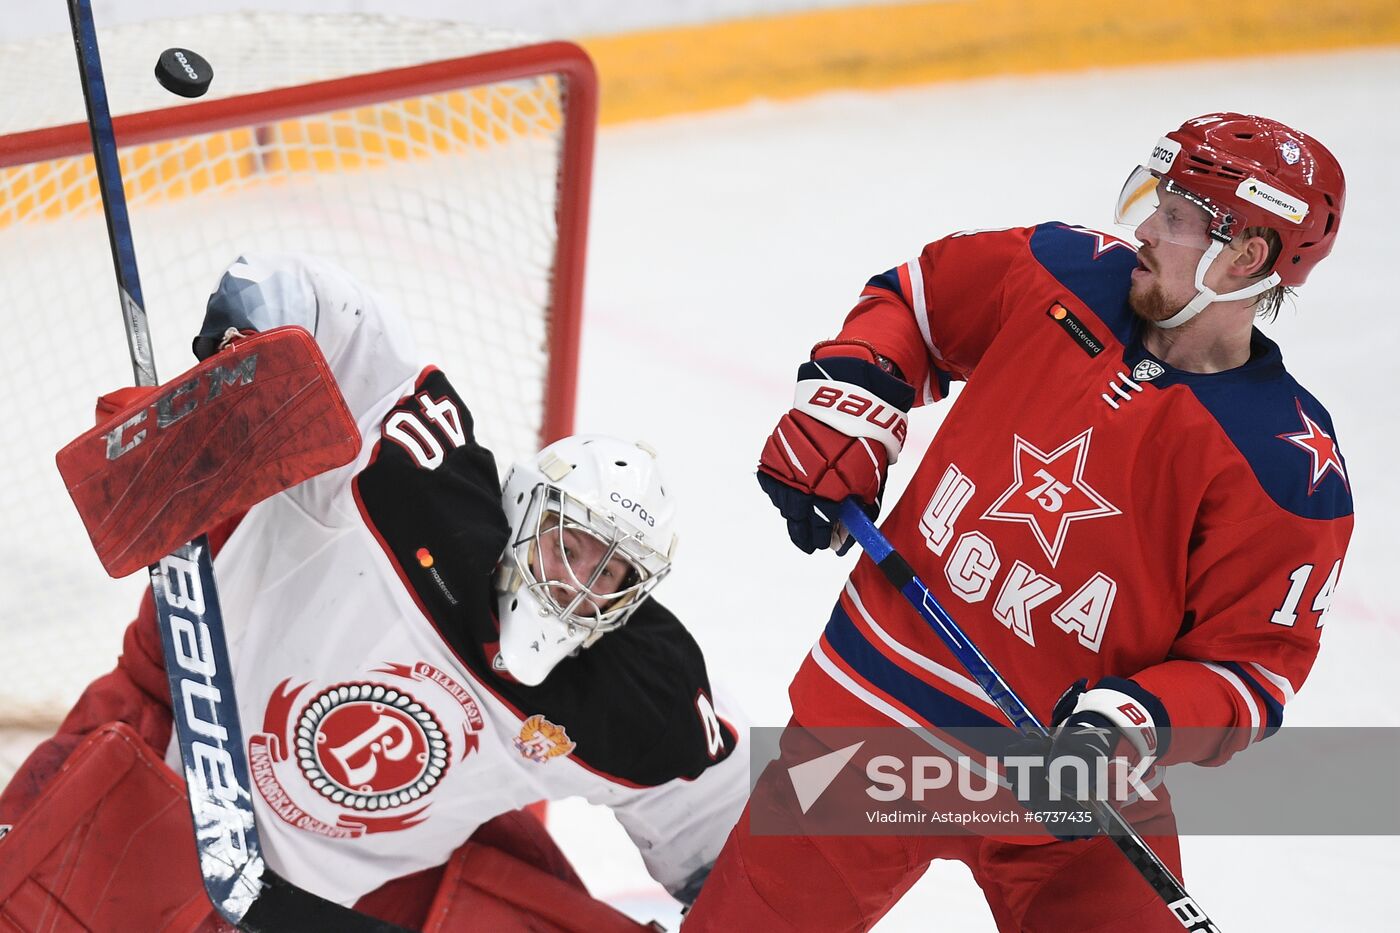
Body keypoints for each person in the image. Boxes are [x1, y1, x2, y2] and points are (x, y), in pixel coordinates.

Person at [683, 113, 1353, 931]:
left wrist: (1130, 722)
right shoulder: (1064, 271)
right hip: (872, 727)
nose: (1143, 226)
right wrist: (849, 403)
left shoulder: (1287, 463)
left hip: (1068, 798)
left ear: (1245, 257)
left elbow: (1253, 671)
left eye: (1176, 217)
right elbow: (917, 302)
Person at [0, 253, 746, 932]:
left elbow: (813, 801)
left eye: (608, 574)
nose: (575, 580)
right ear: (523, 507)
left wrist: (865, 688)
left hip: (356, 894)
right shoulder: (412, 483)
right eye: (569, 543)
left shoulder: (640, 687)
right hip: (167, 751)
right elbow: (327, 310)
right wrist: (237, 358)